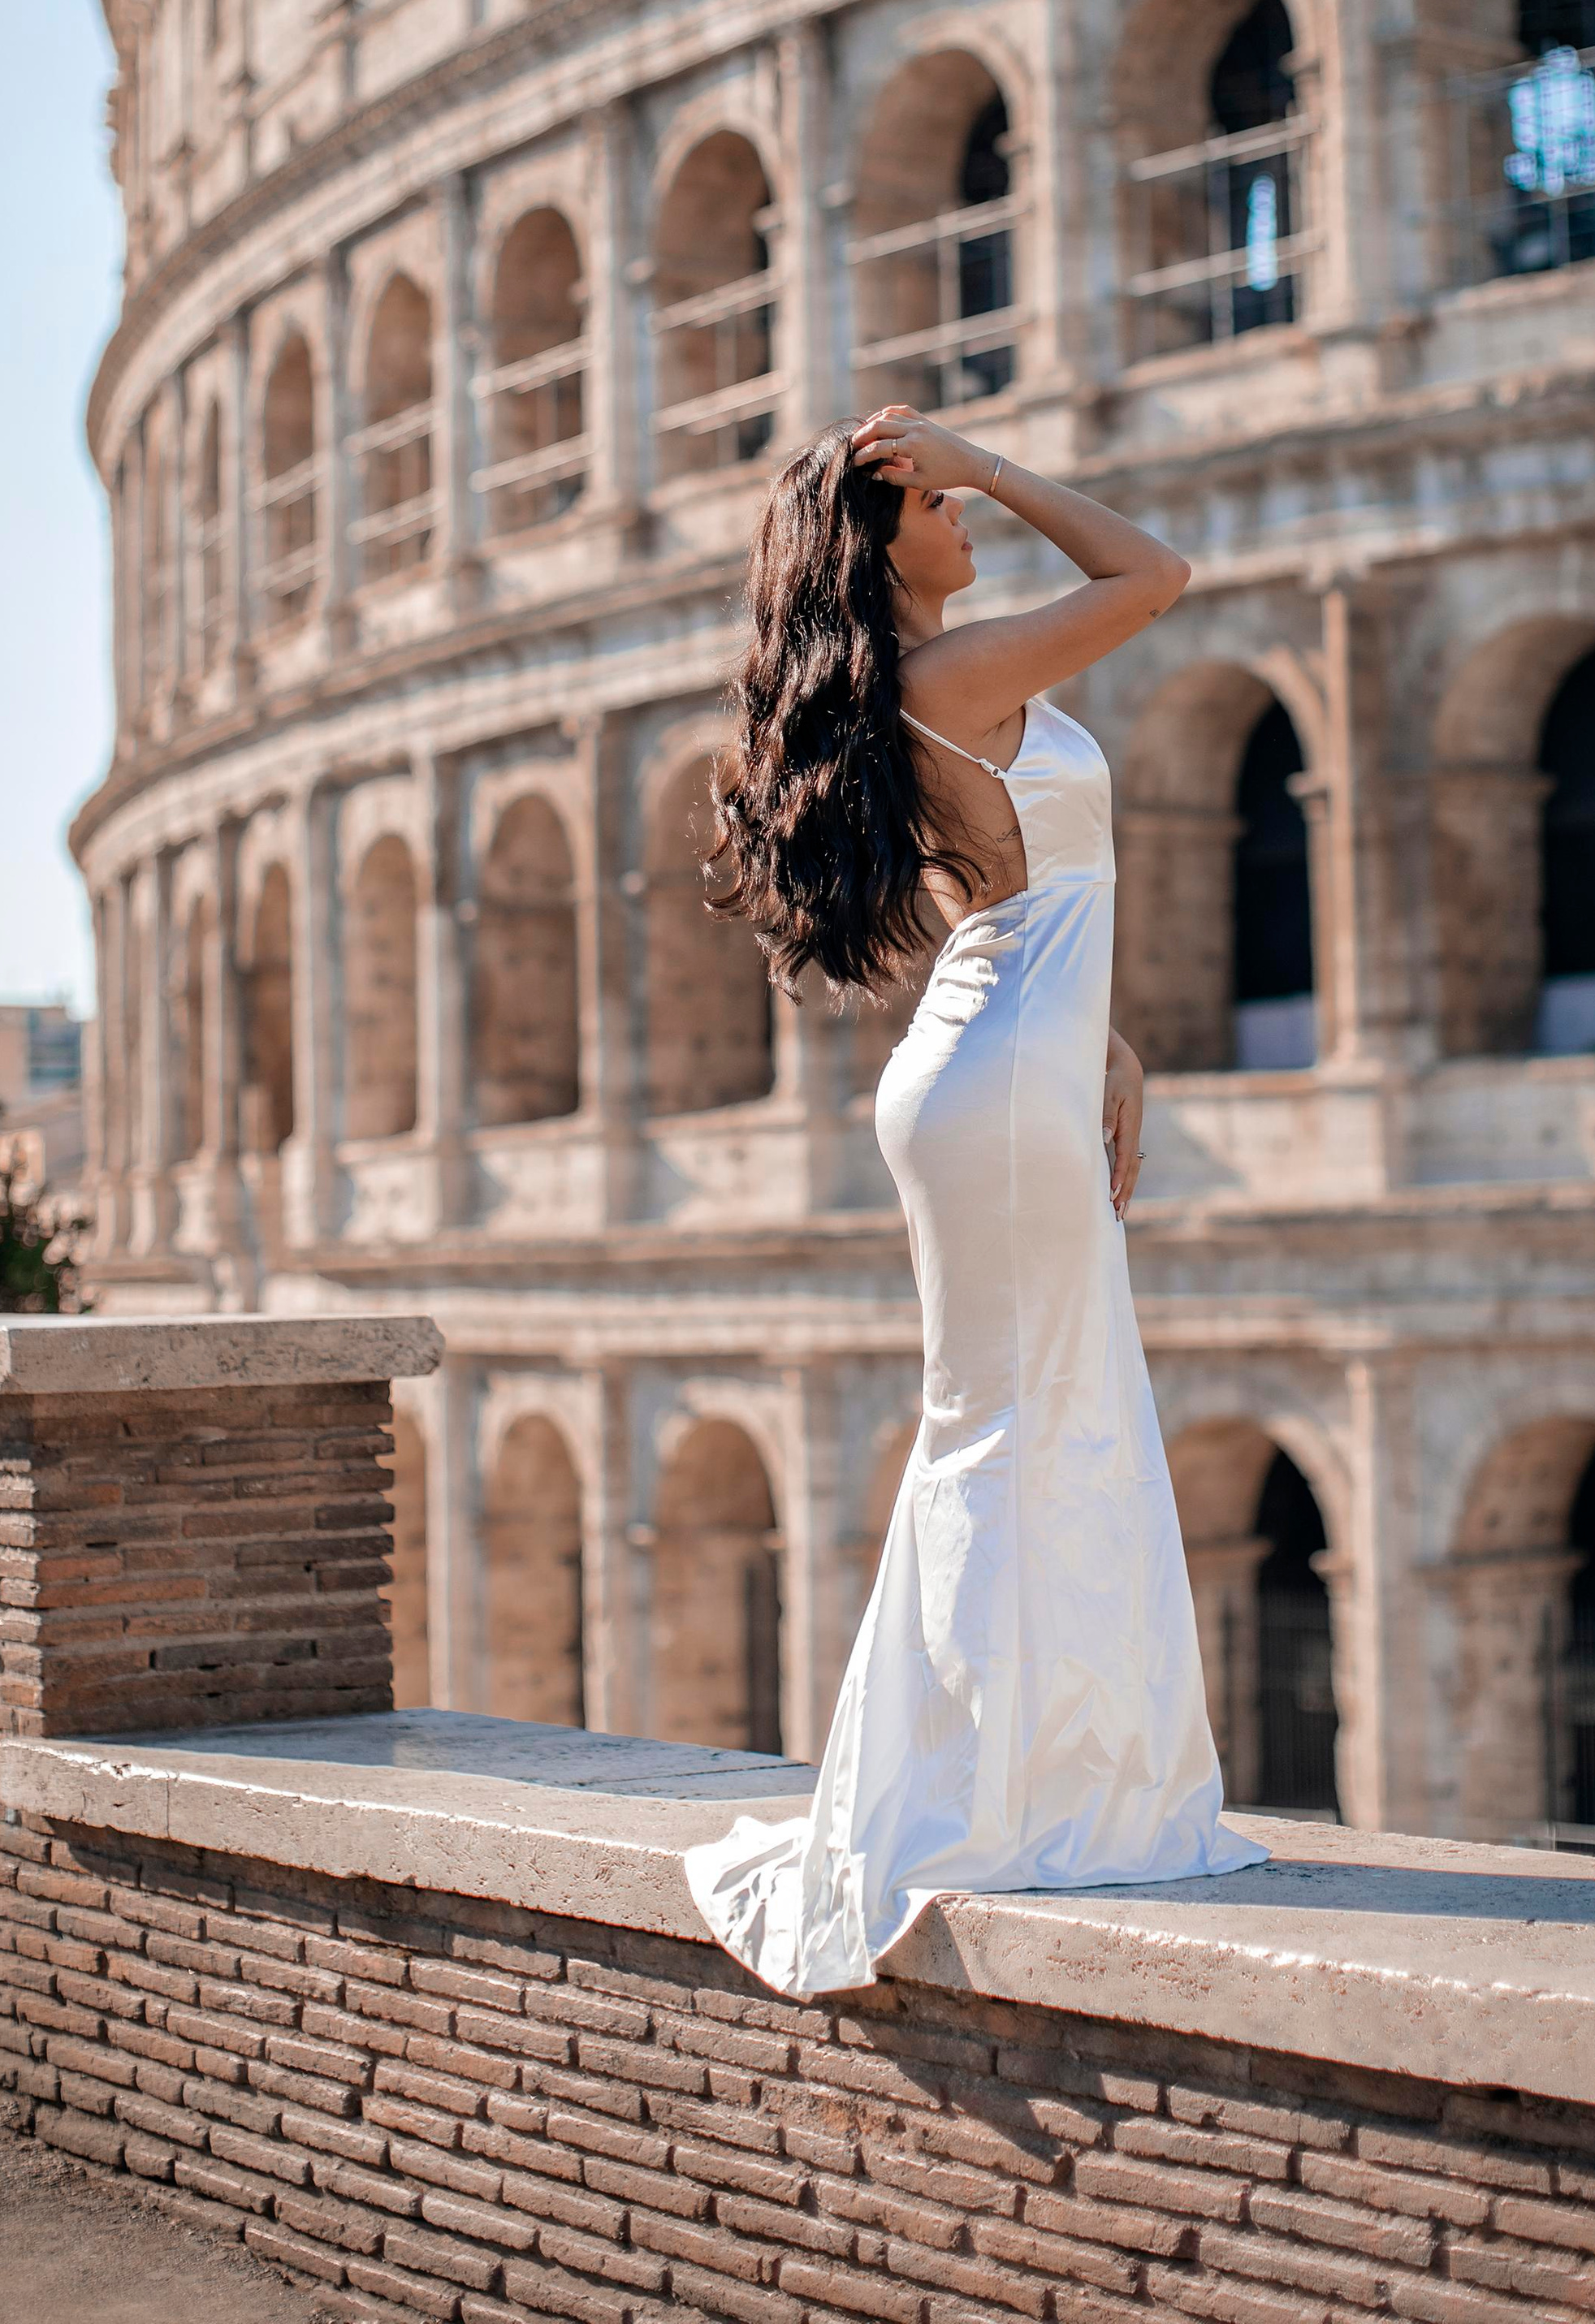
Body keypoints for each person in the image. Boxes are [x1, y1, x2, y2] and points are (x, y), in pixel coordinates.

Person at [681, 404, 1268, 1996]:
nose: (967, 512)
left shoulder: (927, 685)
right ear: (882, 547)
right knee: (1014, 1426)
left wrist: (1110, 1035)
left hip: (1004, 1052)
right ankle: (993, 1796)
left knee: (1031, 1415)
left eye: (961, 489)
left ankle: (1015, 1780)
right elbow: (1153, 570)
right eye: (938, 501)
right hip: (994, 1080)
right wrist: (997, 453)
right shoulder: (945, 674)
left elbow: (1015, 888)